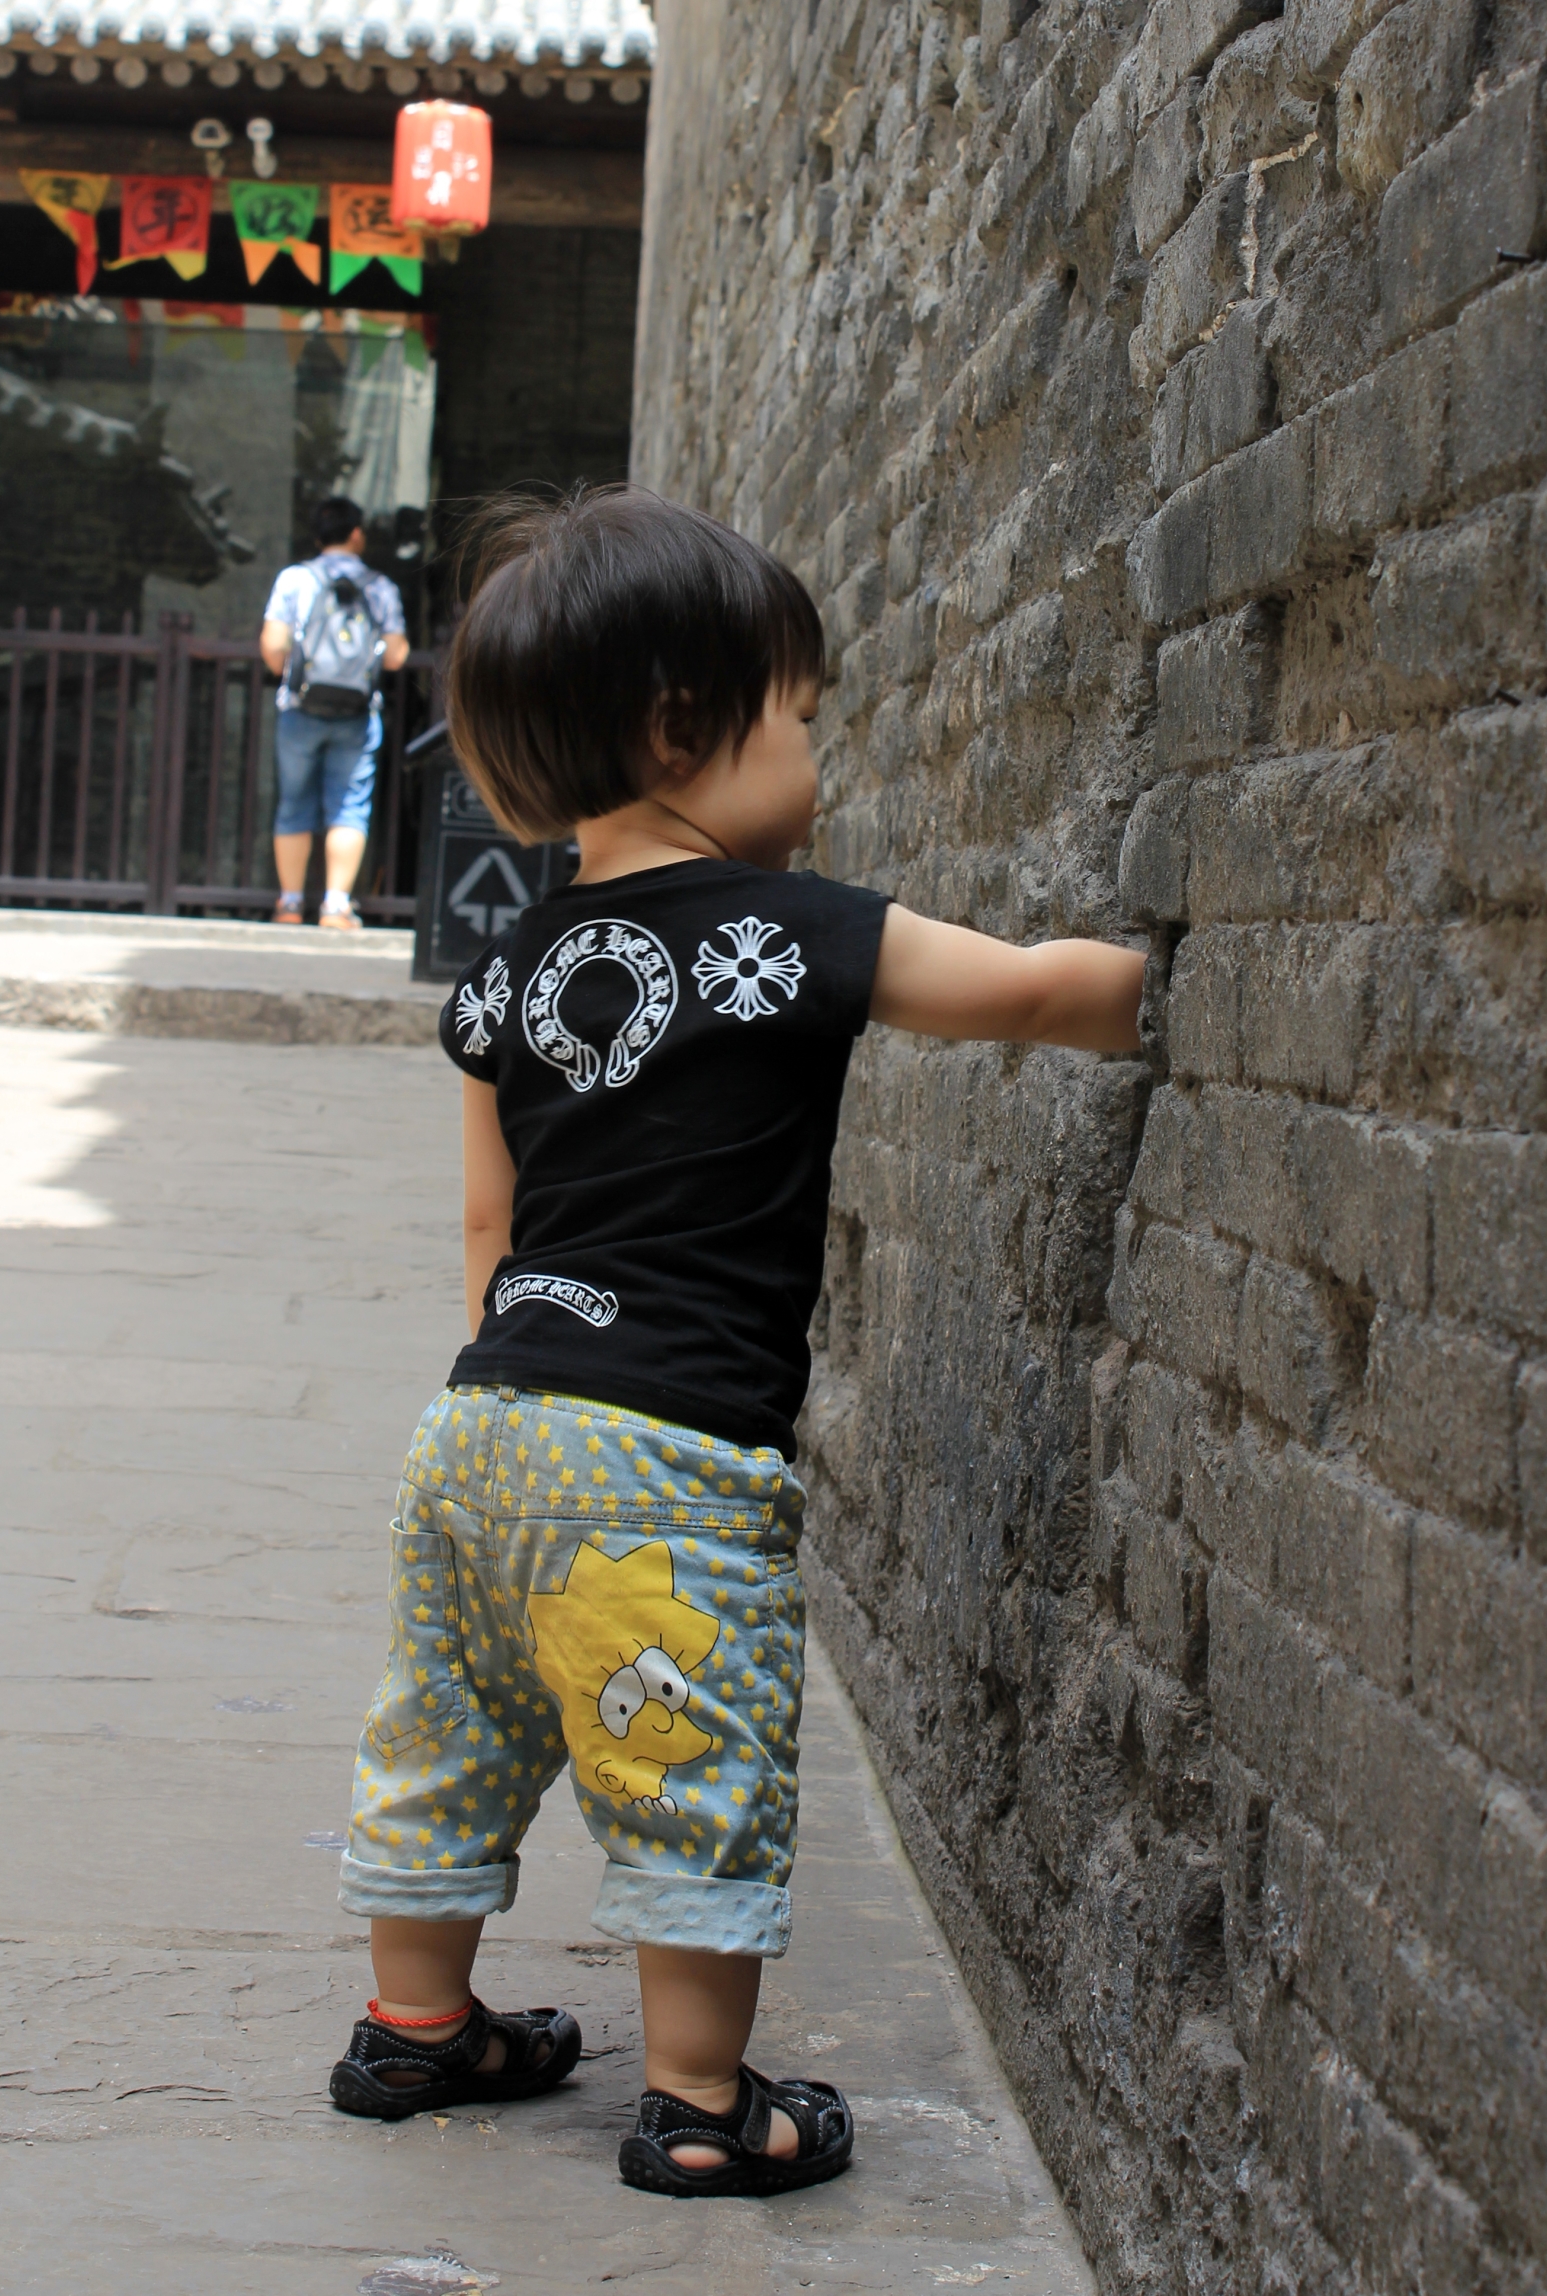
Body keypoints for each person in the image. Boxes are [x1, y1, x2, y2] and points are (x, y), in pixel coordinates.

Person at [325, 485, 1146, 2196]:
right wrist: (1152, 980)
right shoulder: (795, 932)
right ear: (681, 728)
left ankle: (414, 2028)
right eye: (801, 720)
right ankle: (700, 2105)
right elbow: (1022, 992)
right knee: (687, 1754)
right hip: (668, 1453)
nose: (818, 760)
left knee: (446, 1734)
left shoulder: (504, 971)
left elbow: (487, 1227)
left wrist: (530, 1385)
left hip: (480, 1430)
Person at [259, 499, 410, 929]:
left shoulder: (295, 579)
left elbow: (273, 646)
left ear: (316, 536)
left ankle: (290, 904)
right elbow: (397, 655)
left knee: (293, 803)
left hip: (300, 708)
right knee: (350, 805)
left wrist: (293, 672)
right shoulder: (380, 586)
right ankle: (335, 906)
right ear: (357, 534)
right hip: (357, 714)